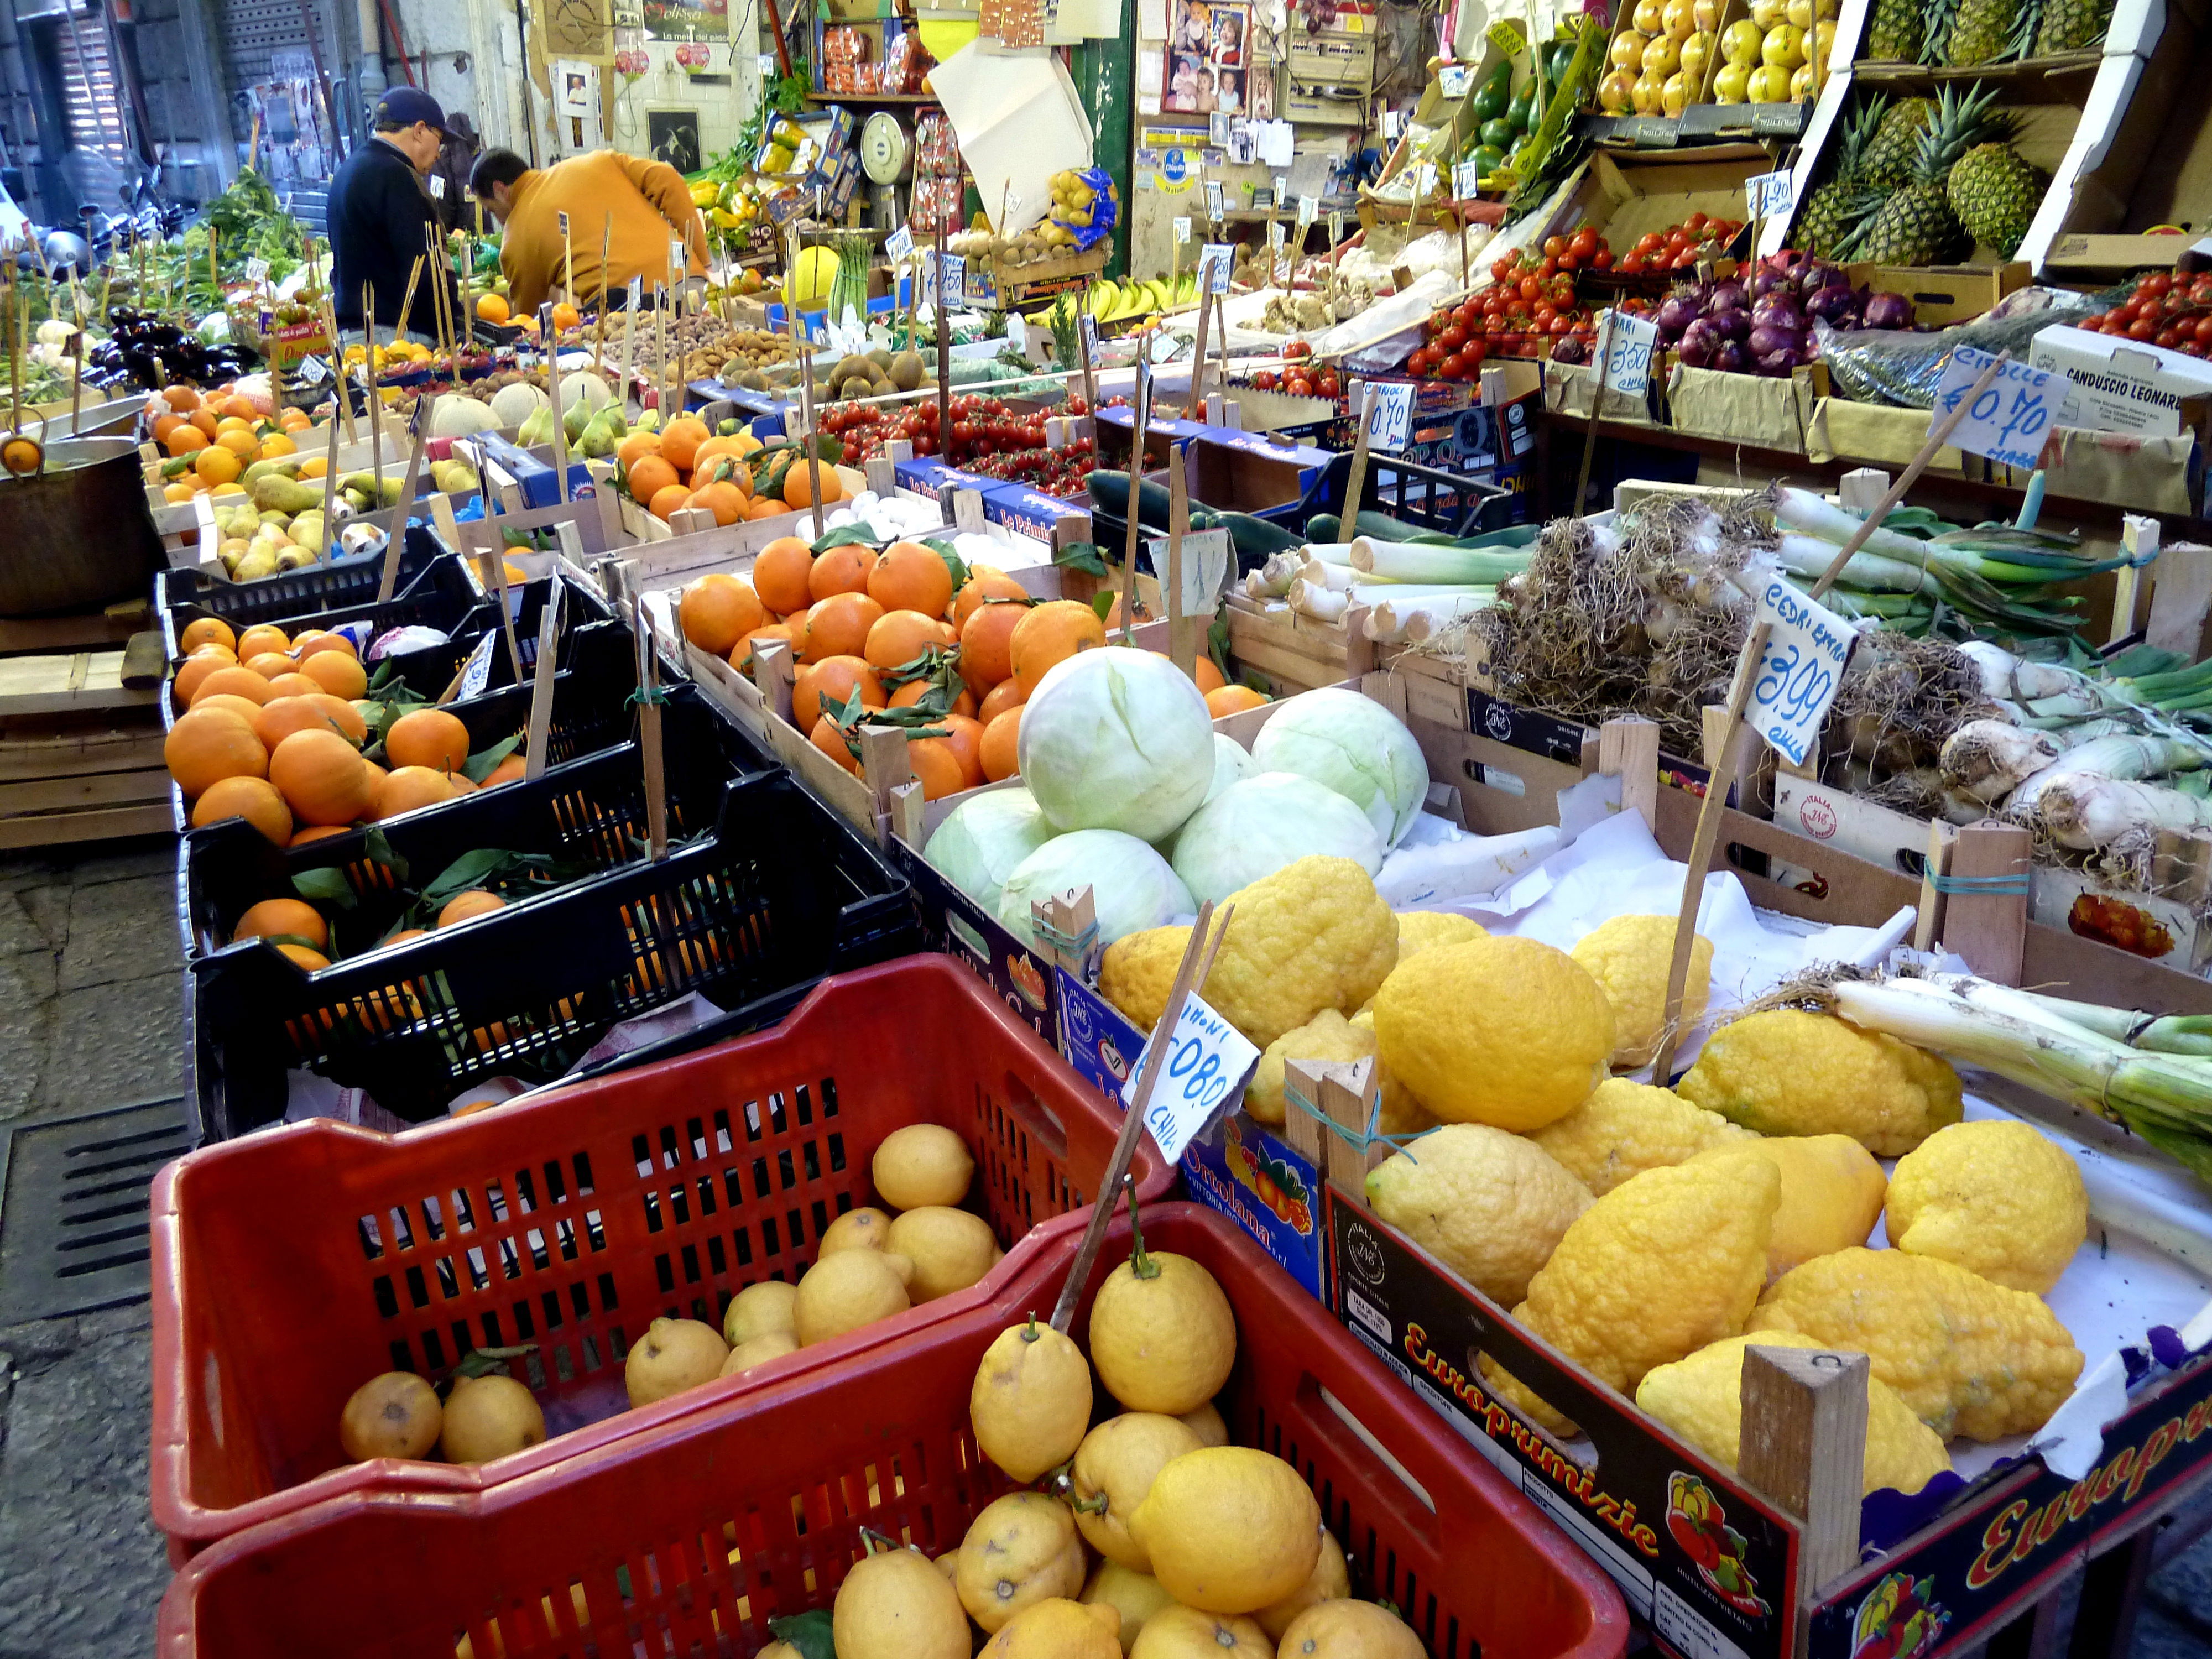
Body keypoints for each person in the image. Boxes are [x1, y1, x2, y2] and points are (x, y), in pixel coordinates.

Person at [468, 146, 708, 319]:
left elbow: (527, 322)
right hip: (693, 287)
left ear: (500, 191)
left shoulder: (515, 238)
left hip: (633, 316)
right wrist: (700, 260)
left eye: (491, 211)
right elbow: (668, 178)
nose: (499, 220)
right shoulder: (596, 161)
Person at [328, 87, 461, 339]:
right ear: (420, 130)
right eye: (440, 141)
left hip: (352, 332)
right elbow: (425, 268)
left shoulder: (348, 170)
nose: (438, 154)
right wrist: (452, 330)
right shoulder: (399, 177)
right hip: (395, 334)